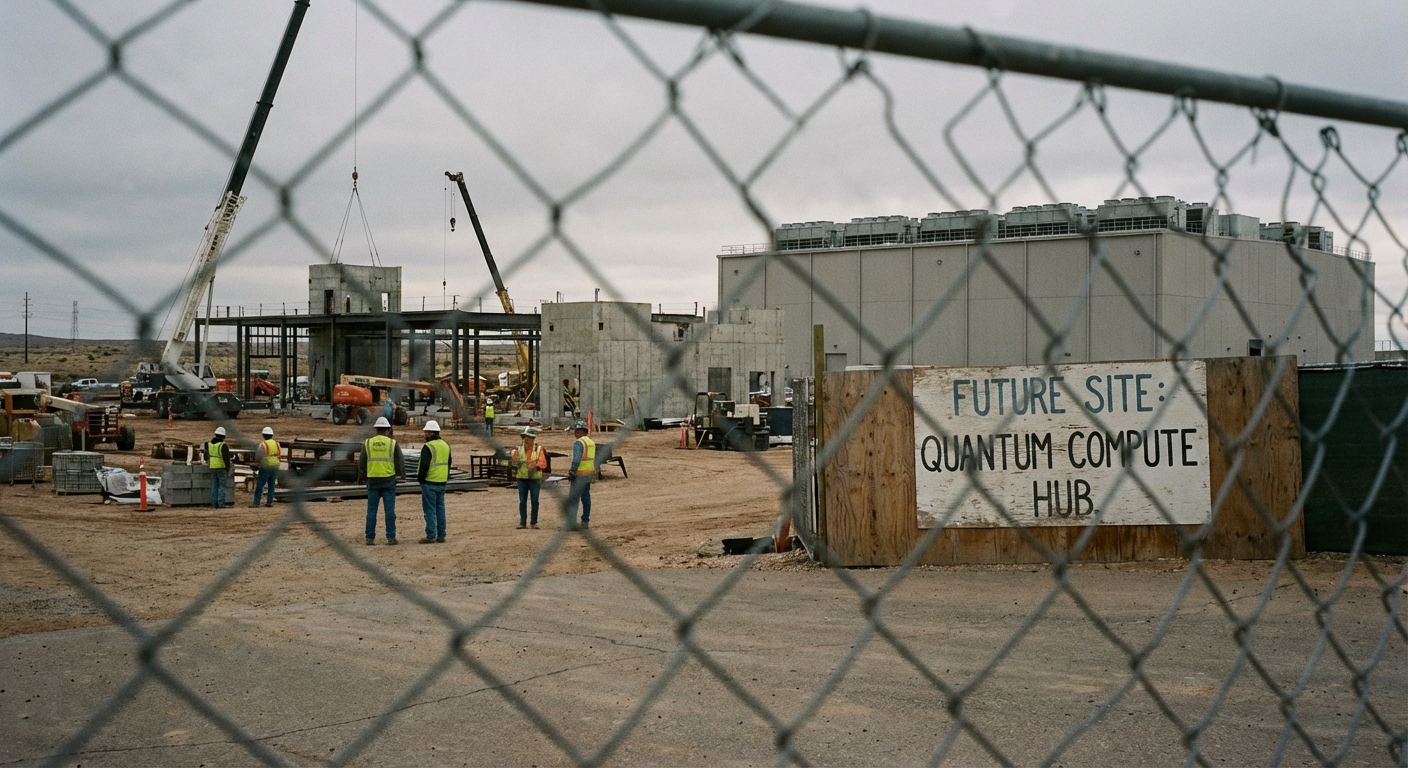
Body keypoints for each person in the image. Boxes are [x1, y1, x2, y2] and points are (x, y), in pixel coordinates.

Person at [359, 416, 404, 545]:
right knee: (389, 511)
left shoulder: (367, 443)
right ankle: (391, 537)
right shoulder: (392, 443)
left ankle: (369, 538)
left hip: (373, 480)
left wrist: (365, 476)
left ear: (376, 429)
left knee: (371, 511)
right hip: (388, 480)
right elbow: (400, 461)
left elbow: (362, 463)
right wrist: (401, 476)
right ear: (387, 430)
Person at [417, 420, 451, 543]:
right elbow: (449, 463)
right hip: (441, 482)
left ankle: (431, 535)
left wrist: (420, 478)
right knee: (440, 509)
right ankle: (441, 535)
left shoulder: (428, 447)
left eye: (427, 432)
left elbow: (424, 465)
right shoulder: (445, 445)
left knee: (430, 510)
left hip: (429, 482)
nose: (425, 434)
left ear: (432, 433)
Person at [511, 427, 547, 529]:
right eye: (526, 439)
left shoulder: (538, 449)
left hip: (535, 478)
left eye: (529, 439)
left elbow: (543, 463)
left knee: (534, 500)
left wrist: (535, 466)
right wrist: (515, 459)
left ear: (533, 439)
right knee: (522, 501)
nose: (527, 441)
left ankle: (533, 522)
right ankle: (523, 522)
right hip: (522, 478)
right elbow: (514, 463)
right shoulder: (518, 449)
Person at [566, 421, 595, 529]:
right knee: (586, 498)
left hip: (579, 475)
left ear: (579, 431)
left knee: (574, 499)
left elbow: (577, 459)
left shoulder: (579, 443)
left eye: (575, 431)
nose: (574, 433)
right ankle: (585, 522)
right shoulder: (590, 442)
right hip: (588, 474)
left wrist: (572, 471)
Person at [251, 426, 279, 508]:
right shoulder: (276, 443)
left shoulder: (263, 444)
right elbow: (279, 453)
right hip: (275, 465)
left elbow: (258, 456)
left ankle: (256, 503)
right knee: (271, 485)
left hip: (266, 466)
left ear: (264, 435)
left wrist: (257, 464)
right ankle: (269, 502)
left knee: (260, 485)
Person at [206, 426, 232, 508]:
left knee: (214, 486)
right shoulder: (223, 445)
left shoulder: (209, 445)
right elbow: (226, 458)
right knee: (221, 486)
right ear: (222, 436)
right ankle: (221, 503)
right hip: (221, 468)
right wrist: (228, 468)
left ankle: (214, 503)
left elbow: (206, 456)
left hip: (212, 467)